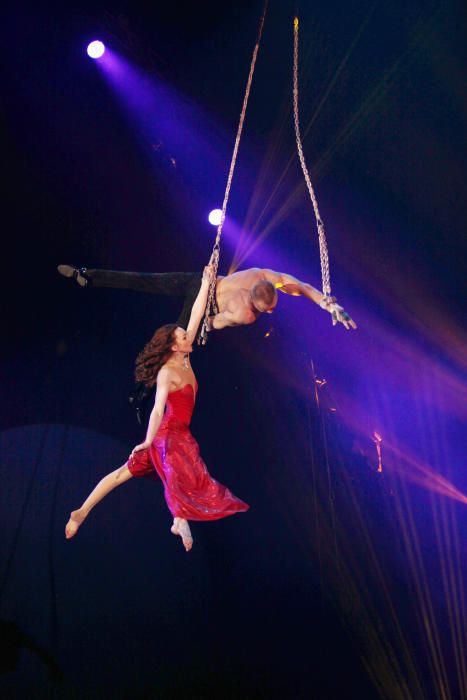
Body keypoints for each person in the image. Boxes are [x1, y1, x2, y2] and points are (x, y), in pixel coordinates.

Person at [65, 266, 249, 551]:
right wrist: (148, 441)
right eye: (183, 336)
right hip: (167, 435)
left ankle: (81, 511)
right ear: (175, 347)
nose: (189, 335)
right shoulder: (168, 372)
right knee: (176, 465)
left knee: (121, 474)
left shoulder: (185, 355)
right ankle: (178, 518)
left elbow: (198, 309)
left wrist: (207, 280)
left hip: (179, 434)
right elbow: (156, 410)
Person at [58, 264, 357, 331]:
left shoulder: (262, 274)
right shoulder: (246, 314)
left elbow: (304, 286)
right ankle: (143, 393)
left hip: (200, 280)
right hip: (201, 300)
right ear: (257, 304)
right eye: (267, 310)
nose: (268, 313)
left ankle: (89, 275)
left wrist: (330, 304)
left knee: (143, 281)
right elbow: (210, 324)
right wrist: (199, 327)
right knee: (174, 344)